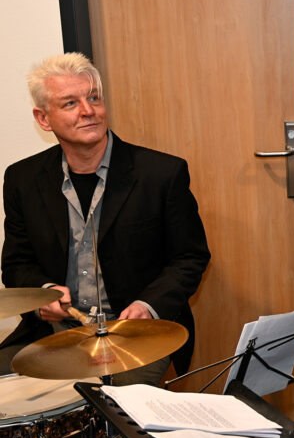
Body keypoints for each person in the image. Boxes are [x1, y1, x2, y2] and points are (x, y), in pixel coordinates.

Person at [1, 52, 210, 386]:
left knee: (122, 415)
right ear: (43, 118)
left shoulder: (161, 174)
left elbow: (190, 257)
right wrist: (44, 292)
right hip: (55, 330)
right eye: (70, 103)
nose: (88, 111)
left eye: (94, 98)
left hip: (136, 332)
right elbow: (15, 263)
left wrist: (148, 305)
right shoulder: (22, 179)